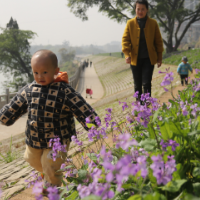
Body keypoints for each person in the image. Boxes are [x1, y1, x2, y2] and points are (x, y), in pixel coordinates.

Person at [0, 50, 98, 190]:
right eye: (36, 73)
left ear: (55, 71)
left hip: (58, 139)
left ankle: (52, 190)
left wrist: (93, 123)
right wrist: (4, 117)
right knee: (31, 159)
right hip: (35, 138)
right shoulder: (29, 90)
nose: (40, 76)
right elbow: (14, 106)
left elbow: (80, 106)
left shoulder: (64, 91)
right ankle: (49, 173)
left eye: (45, 72)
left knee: (50, 164)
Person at [122, 0, 164, 101]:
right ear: (135, 10)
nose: (140, 11)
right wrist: (127, 55)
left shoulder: (153, 23)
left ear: (147, 10)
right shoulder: (130, 23)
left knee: (147, 83)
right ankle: (139, 106)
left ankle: (147, 106)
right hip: (135, 60)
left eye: (143, 9)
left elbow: (158, 41)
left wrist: (159, 58)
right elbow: (125, 40)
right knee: (137, 84)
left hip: (148, 59)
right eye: (138, 9)